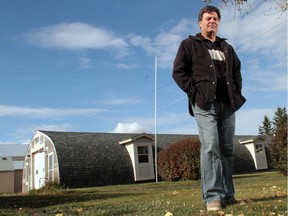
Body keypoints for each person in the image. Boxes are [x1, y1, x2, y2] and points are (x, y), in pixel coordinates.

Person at [172, 5, 246, 211]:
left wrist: (237, 93)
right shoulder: (189, 45)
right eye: (208, 18)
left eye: (215, 19)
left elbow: (237, 72)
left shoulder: (227, 48)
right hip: (205, 105)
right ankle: (213, 197)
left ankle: (228, 195)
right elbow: (179, 73)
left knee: (227, 150)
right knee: (211, 146)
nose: (212, 21)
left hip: (228, 105)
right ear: (200, 22)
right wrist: (195, 94)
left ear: (219, 22)